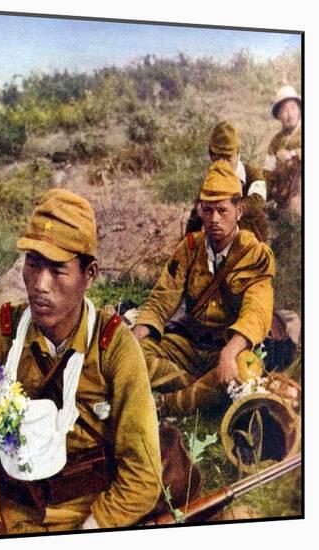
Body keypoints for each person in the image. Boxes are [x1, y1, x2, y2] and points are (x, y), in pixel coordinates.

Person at [0, 189, 161, 537]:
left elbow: (143, 471)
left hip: (91, 513)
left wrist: (93, 530)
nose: (39, 285)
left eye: (57, 269)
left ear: (89, 274)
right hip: (14, 514)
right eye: (33, 264)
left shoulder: (114, 348)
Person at [133, 160, 275, 417]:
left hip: (227, 348)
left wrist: (229, 353)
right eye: (207, 211)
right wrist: (135, 336)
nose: (214, 219)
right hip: (189, 345)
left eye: (222, 210)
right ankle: (203, 390)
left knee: (242, 371)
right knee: (134, 352)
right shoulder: (189, 247)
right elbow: (162, 299)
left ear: (239, 210)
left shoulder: (254, 254)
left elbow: (257, 312)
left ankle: (167, 404)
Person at [186, 121, 268, 242]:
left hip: (251, 239)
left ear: (238, 154)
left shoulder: (252, 174)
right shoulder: (211, 179)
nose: (223, 163)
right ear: (211, 155)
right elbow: (195, 220)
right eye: (218, 157)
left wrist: (229, 209)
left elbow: (258, 201)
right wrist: (188, 245)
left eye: (228, 157)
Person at [263, 85, 301, 214]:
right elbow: (268, 172)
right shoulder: (275, 141)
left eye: (293, 108)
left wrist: (293, 154)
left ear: (299, 110)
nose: (289, 114)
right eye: (284, 110)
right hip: (283, 191)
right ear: (279, 116)